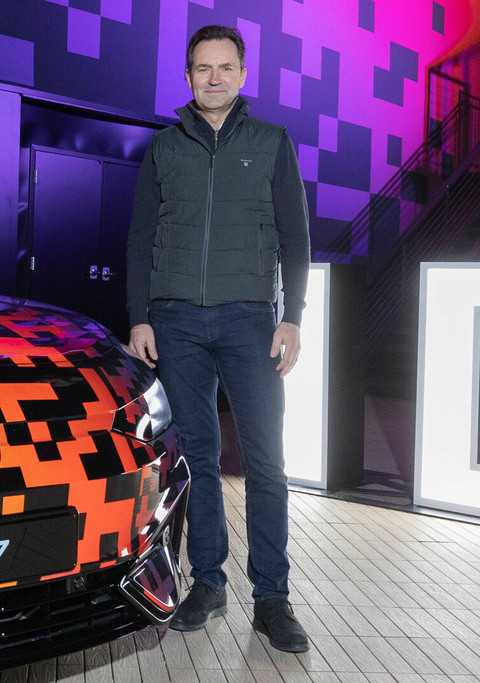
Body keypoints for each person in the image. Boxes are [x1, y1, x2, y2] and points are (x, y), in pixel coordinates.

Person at [126, 25, 311, 653]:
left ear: (242, 74)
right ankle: (208, 582)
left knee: (265, 462)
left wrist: (293, 316)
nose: (214, 78)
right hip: (175, 322)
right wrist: (140, 316)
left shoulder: (271, 141)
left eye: (225, 67)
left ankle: (272, 597)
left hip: (250, 321)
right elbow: (140, 237)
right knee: (198, 459)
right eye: (203, 68)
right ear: (187, 77)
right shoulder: (164, 147)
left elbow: (295, 237)